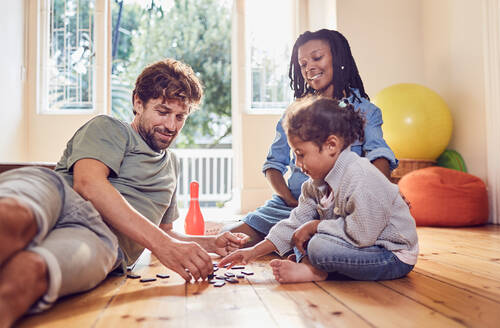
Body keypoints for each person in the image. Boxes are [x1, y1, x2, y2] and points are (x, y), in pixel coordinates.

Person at [0, 58, 247, 327]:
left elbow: (163, 232)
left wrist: (210, 244)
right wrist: (163, 245)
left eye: (180, 117)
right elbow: (89, 185)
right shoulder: (109, 127)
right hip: (59, 196)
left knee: (30, 274)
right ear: (137, 103)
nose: (171, 126)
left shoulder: (172, 166)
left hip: (101, 240)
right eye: (163, 112)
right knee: (12, 221)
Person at [227, 29, 398, 246]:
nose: (309, 68)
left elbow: (379, 155)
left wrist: (378, 196)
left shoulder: (365, 111)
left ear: (338, 58)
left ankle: (308, 242)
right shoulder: (295, 113)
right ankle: (297, 241)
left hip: (342, 205)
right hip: (295, 205)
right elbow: (273, 165)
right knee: (231, 238)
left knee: (331, 239)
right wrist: (290, 200)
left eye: (317, 58)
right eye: (303, 64)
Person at [219, 97, 418, 283]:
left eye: (301, 154)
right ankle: (311, 264)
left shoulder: (361, 177)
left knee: (317, 246)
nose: (297, 164)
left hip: (390, 254)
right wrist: (252, 252)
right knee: (301, 236)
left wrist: (315, 226)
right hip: (358, 244)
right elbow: (294, 223)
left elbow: (362, 234)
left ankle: (315, 270)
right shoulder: (314, 185)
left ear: (331, 145)